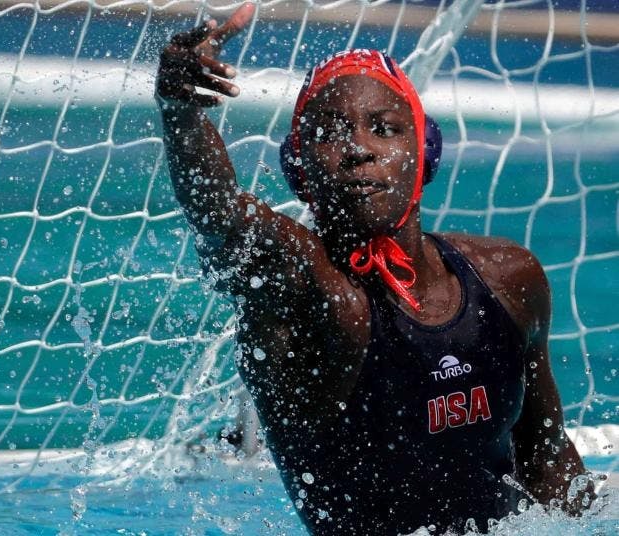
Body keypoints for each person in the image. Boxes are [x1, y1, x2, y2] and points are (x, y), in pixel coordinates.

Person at [155, 4, 593, 534]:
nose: (359, 148)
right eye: (332, 132)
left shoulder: (508, 280)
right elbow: (221, 215)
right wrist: (180, 110)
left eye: (384, 129)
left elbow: (547, 457)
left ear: (424, 151)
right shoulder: (308, 296)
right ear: (300, 166)